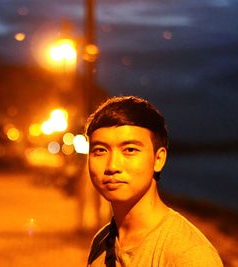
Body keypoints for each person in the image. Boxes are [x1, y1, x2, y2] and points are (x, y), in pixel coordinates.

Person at [85, 96, 223, 266]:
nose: (112, 165)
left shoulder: (189, 254)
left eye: (130, 150)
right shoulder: (102, 241)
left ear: (158, 159)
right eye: (100, 150)